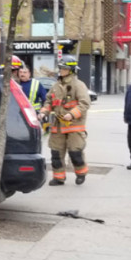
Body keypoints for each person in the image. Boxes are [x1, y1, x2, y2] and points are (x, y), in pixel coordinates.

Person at [38, 54, 91, 186]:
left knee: (75, 153)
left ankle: (81, 173)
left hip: (74, 126)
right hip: (58, 125)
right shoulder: (55, 86)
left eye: (63, 68)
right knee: (56, 153)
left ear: (71, 70)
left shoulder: (78, 85)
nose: (61, 70)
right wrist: (43, 111)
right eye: (60, 68)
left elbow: (84, 103)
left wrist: (72, 114)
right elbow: (49, 101)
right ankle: (59, 177)